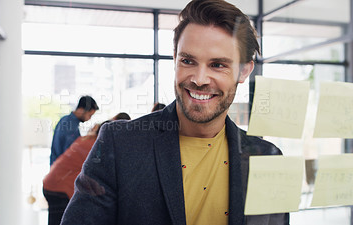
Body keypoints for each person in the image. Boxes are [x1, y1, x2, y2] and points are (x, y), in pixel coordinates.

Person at [61, 0, 289, 225]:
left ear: (244, 71)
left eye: (218, 65)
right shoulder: (120, 144)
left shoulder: (266, 158)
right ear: (175, 60)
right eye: (188, 61)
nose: (199, 79)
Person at [50, 95, 98, 165]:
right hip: (63, 169)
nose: (89, 119)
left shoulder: (66, 120)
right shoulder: (70, 125)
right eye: (90, 115)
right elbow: (73, 152)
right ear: (81, 110)